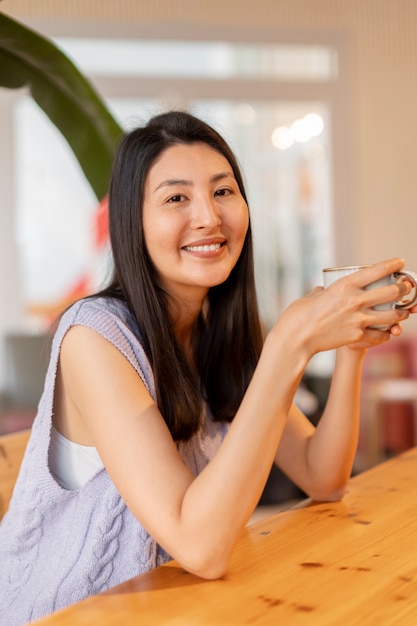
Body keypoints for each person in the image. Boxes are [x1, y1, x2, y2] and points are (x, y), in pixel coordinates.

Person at [0, 110, 414, 625]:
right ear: (134, 221)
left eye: (223, 192)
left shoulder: (221, 330)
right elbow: (200, 546)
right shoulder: (94, 337)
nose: (209, 218)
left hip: (180, 607)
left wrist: (352, 348)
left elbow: (323, 475)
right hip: (70, 614)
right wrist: (288, 345)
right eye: (176, 197)